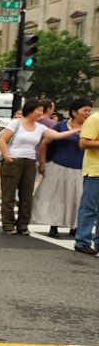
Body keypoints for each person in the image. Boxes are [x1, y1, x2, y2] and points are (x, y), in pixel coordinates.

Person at [0, 98, 78, 235]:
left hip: (30, 162)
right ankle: (8, 225)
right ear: (30, 110)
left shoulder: (40, 127)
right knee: (9, 195)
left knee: (27, 195)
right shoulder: (16, 123)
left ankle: (23, 225)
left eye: (41, 111)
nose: (41, 113)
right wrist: (7, 156)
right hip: (13, 161)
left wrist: (77, 130)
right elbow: (3, 140)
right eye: (38, 110)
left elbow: (58, 136)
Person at [33, 98, 92, 238]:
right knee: (56, 197)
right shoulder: (60, 126)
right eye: (85, 110)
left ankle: (75, 226)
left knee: (78, 198)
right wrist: (42, 164)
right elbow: (44, 144)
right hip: (58, 166)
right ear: (74, 112)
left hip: (80, 168)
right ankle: (54, 225)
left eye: (90, 110)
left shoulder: (92, 127)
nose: (88, 113)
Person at [73, 105, 99, 256]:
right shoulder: (95, 119)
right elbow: (83, 143)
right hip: (95, 171)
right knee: (89, 207)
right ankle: (82, 241)